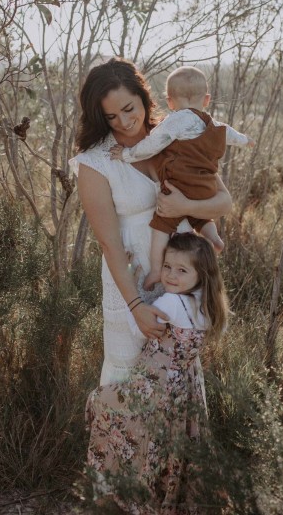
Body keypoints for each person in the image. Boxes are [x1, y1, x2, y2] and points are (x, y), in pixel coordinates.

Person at [70, 58, 232, 385]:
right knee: (128, 376)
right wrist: (135, 307)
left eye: (129, 109)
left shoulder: (175, 136)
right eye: (111, 116)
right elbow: (109, 244)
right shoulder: (96, 162)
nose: (124, 122)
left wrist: (185, 205)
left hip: (181, 274)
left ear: (144, 98)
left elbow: (223, 201)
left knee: (177, 373)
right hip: (133, 280)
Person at [85, 233, 229, 514]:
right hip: (183, 387)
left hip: (155, 382)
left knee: (101, 402)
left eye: (182, 270)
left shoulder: (172, 303)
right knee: (164, 443)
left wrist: (132, 284)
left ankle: (117, 490)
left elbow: (138, 327)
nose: (171, 275)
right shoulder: (208, 304)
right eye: (167, 266)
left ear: (201, 274)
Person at [109, 65, 254, 290]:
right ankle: (214, 239)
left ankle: (155, 270)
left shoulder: (175, 121)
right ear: (206, 100)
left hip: (180, 186)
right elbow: (231, 135)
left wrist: (126, 154)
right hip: (205, 187)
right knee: (201, 219)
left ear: (170, 102)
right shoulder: (214, 124)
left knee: (162, 225)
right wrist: (246, 140)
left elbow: (151, 144)